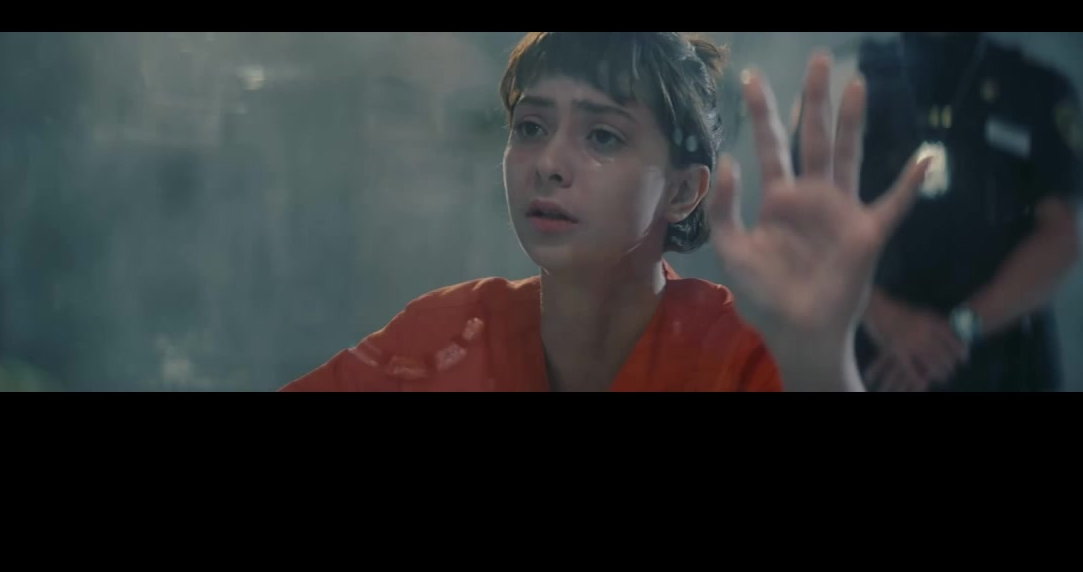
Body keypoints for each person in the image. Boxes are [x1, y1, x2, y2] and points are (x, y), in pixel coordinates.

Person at [281, 32, 931, 392]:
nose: (548, 162)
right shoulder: (448, 336)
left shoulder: (737, 360)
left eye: (602, 136)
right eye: (531, 127)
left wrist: (823, 362)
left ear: (684, 190)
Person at [792, 32, 1083, 392]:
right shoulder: (842, 77)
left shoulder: (1035, 87)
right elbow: (803, 227)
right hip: (871, 364)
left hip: (1002, 368)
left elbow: (1063, 236)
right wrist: (887, 318)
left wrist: (960, 329)